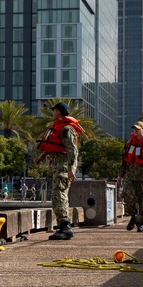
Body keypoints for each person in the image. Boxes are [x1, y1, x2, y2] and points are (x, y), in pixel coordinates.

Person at [34, 101, 83, 240]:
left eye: (53, 111)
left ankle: (65, 227)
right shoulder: (58, 127)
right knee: (58, 196)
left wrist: (71, 169)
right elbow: (52, 147)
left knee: (59, 196)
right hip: (58, 167)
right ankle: (63, 226)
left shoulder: (67, 129)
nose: (52, 113)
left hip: (63, 168)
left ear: (59, 112)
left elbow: (73, 150)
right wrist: (41, 158)